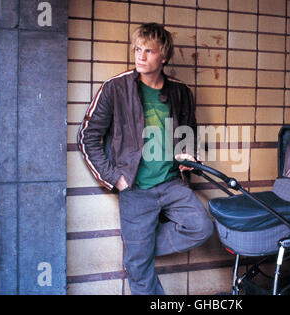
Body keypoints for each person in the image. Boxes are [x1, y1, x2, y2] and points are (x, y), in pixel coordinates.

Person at [77, 23, 213, 295]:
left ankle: (139, 250)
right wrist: (114, 177)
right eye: (137, 49)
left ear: (163, 57)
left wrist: (190, 155)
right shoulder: (115, 88)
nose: (140, 56)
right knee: (139, 269)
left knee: (202, 227)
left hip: (172, 184)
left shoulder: (180, 92)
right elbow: (87, 137)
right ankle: (138, 255)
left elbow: (190, 132)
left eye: (148, 51)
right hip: (135, 189)